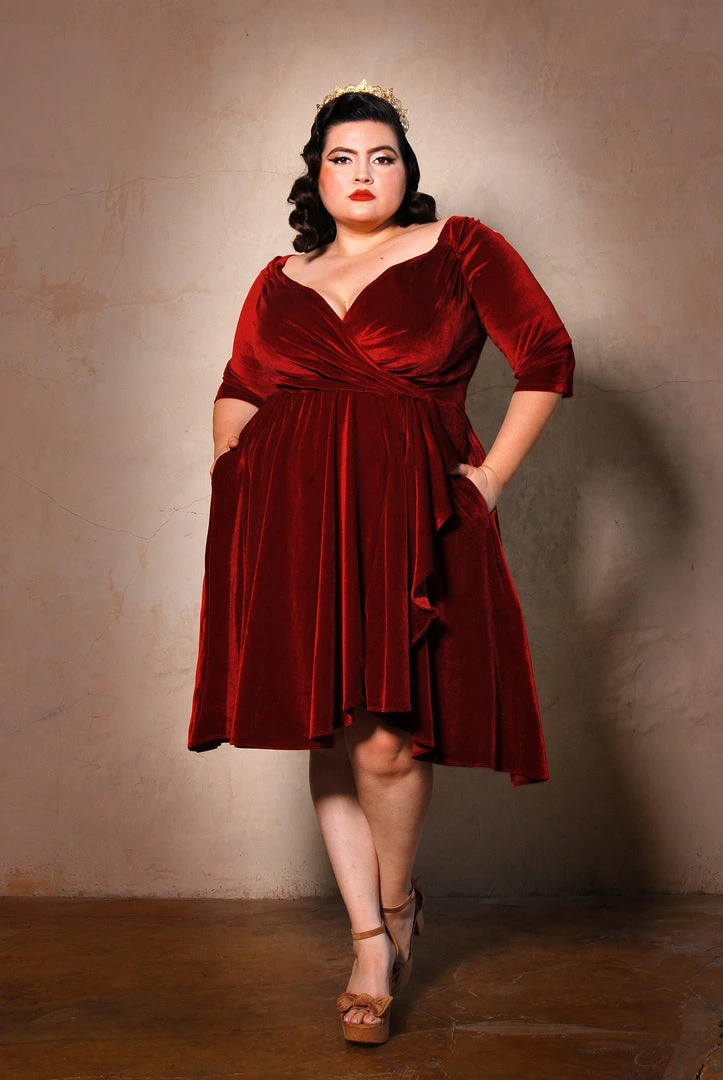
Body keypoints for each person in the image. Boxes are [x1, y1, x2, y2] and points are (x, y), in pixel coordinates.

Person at [188, 80, 574, 1045]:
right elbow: (240, 385)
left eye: (382, 156)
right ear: (314, 177)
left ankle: (397, 910)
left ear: (408, 171)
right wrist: (234, 465)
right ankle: (368, 942)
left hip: (411, 517)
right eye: (342, 157)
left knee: (386, 741)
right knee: (326, 732)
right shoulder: (279, 277)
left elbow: (546, 356)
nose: (362, 173)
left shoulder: (461, 248)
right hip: (292, 522)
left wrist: (487, 479)